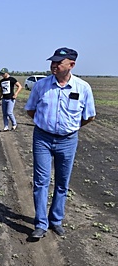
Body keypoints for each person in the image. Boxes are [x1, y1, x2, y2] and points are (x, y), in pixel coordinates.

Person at [25, 47, 96, 239]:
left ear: (71, 65)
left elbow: (89, 116)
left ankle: (55, 220)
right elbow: (31, 110)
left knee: (62, 183)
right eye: (52, 62)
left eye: (58, 62)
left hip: (68, 140)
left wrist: (71, 127)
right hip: (43, 139)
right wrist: (46, 125)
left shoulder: (82, 88)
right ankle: (40, 223)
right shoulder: (41, 86)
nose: (53, 65)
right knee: (41, 182)